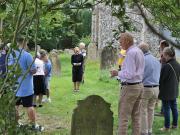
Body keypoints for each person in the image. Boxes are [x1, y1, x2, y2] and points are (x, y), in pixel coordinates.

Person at [110, 33, 144, 135]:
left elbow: (129, 74)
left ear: (127, 41)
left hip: (130, 87)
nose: (120, 44)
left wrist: (117, 73)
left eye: (121, 41)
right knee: (136, 116)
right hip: (139, 86)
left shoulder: (130, 53)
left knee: (123, 117)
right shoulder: (139, 51)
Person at [14, 37, 44, 131]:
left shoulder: (11, 54)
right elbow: (33, 70)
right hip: (25, 86)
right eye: (26, 44)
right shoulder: (27, 55)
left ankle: (16, 124)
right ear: (24, 43)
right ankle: (33, 125)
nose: (27, 46)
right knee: (29, 106)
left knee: (15, 105)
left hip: (14, 85)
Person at [139, 43, 161, 135]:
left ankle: (144, 131)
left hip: (146, 88)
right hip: (156, 88)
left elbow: (139, 75)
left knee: (143, 110)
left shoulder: (142, 60)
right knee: (151, 110)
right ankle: (150, 130)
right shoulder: (156, 60)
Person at [158, 47, 180, 131]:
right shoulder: (178, 64)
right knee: (174, 107)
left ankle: (166, 127)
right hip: (174, 89)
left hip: (166, 90)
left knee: (166, 108)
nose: (162, 55)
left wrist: (159, 89)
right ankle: (175, 125)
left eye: (163, 53)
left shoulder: (166, 66)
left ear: (166, 54)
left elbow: (161, 79)